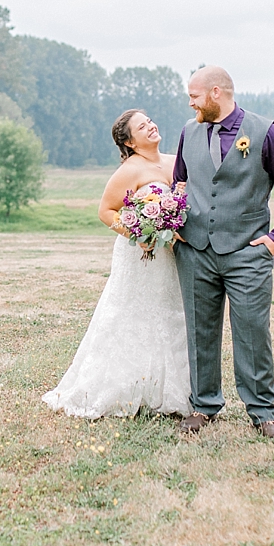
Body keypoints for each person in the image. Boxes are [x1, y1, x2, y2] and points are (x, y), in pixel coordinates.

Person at [172, 66, 274, 441]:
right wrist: (175, 221)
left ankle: (263, 412)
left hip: (248, 251)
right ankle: (204, 405)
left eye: (195, 96)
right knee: (200, 330)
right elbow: (180, 181)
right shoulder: (188, 131)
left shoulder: (265, 132)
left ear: (216, 93)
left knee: (252, 332)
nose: (191, 102)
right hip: (195, 250)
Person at [42, 110, 190, 418]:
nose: (151, 126)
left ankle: (171, 390)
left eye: (150, 121)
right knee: (131, 314)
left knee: (170, 314)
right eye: (142, 126)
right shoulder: (129, 170)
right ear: (130, 141)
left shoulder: (175, 160)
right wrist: (139, 233)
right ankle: (122, 388)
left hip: (171, 255)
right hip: (140, 255)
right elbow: (106, 211)